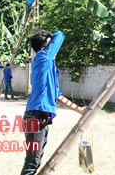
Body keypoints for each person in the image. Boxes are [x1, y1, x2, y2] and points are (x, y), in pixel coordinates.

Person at [21, 29, 85, 175]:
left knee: (35, 160)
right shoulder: (43, 58)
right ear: (44, 48)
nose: (54, 49)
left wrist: (80, 110)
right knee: (32, 161)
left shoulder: (48, 69)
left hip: (40, 117)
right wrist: (51, 37)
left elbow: (58, 96)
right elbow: (60, 35)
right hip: (35, 116)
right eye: (49, 45)